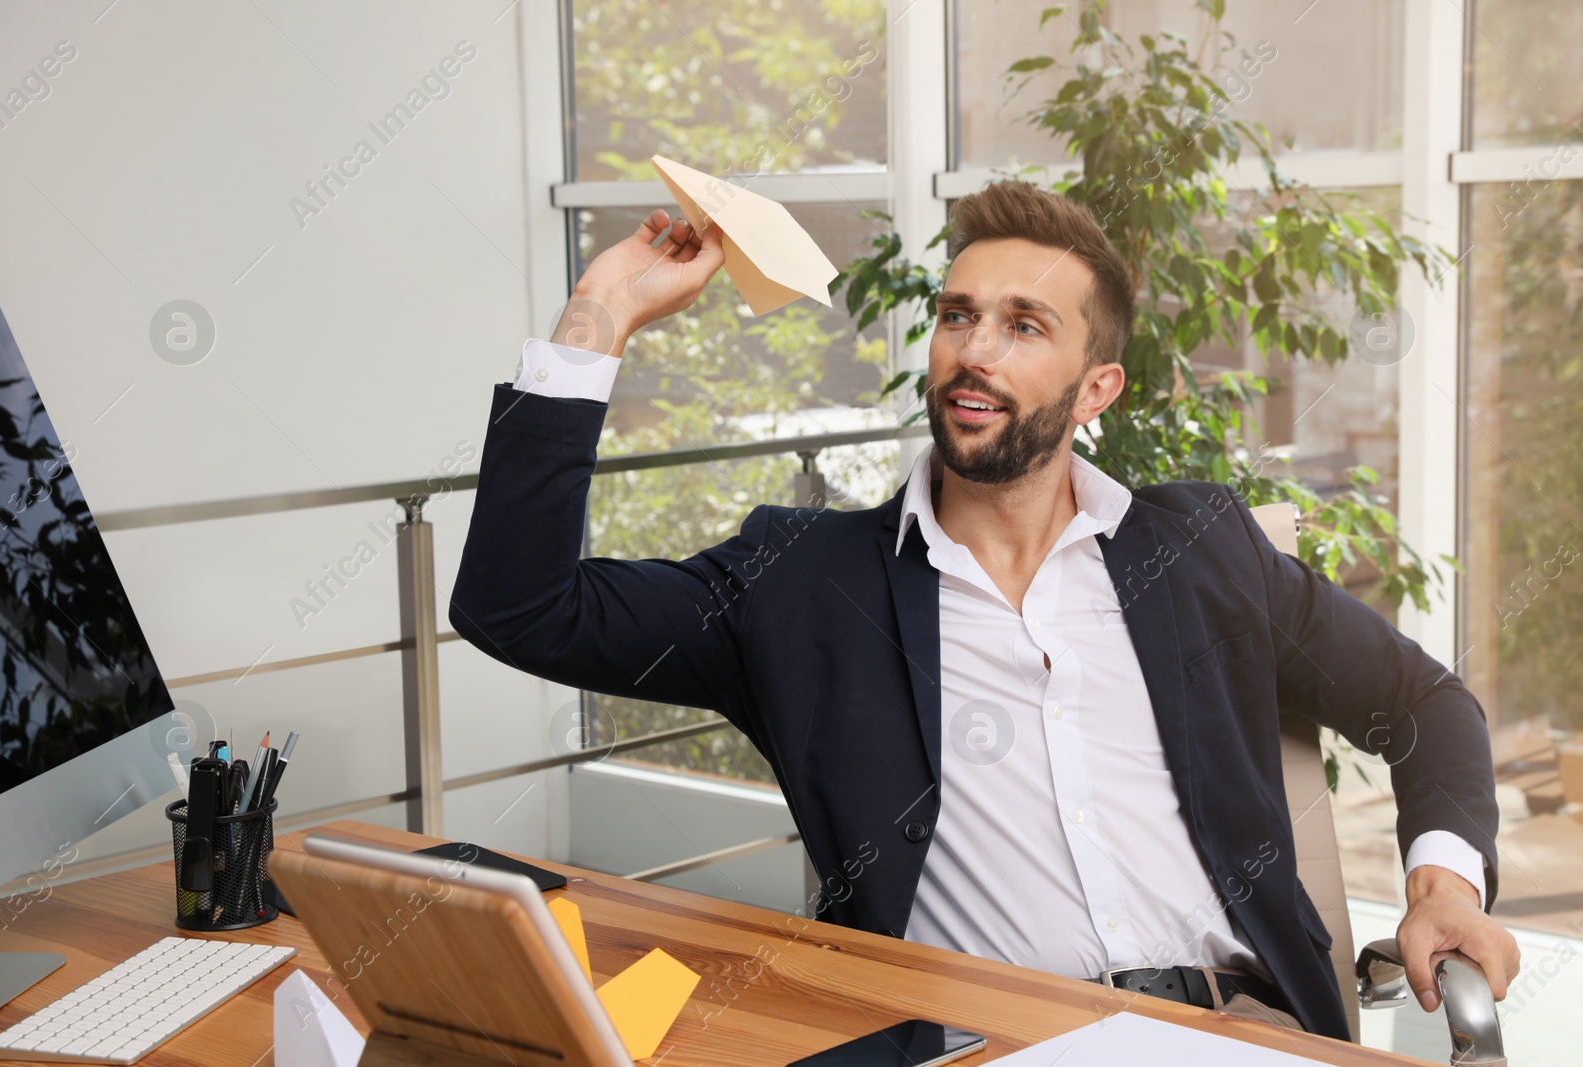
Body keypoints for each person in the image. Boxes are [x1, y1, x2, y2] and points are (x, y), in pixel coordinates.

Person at [450, 182, 1519, 1040]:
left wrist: (1444, 886)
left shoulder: (1197, 550)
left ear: (1095, 389)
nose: (974, 349)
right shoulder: (801, 579)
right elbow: (521, 606)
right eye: (958, 316)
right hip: (977, 1041)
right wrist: (599, 312)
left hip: (1230, 1032)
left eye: (1022, 325)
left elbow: (1417, 701)